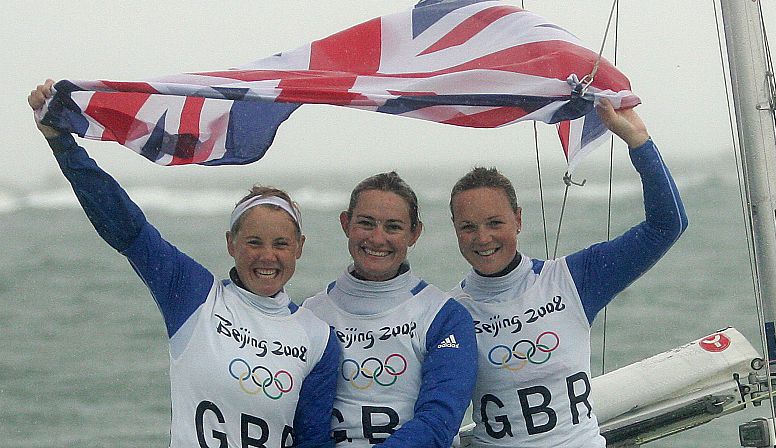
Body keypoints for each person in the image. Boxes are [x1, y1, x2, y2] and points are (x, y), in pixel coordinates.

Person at [28, 79, 339, 448]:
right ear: (231, 244)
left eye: (281, 244)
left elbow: (314, 441)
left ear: (299, 248)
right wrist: (61, 143)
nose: (267, 256)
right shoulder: (194, 296)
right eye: (253, 242)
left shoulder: (318, 339)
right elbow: (126, 226)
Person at [449, 99, 688, 448]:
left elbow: (667, 225)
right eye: (468, 227)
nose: (482, 238)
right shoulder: (448, 314)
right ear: (454, 228)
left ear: (518, 219)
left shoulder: (573, 280)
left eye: (495, 223)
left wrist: (638, 141)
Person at [302, 171, 478, 447]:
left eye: (393, 227)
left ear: (414, 233)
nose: (377, 238)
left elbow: (439, 419)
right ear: (346, 224)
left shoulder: (444, 316)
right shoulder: (310, 314)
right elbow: (306, 426)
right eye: (366, 223)